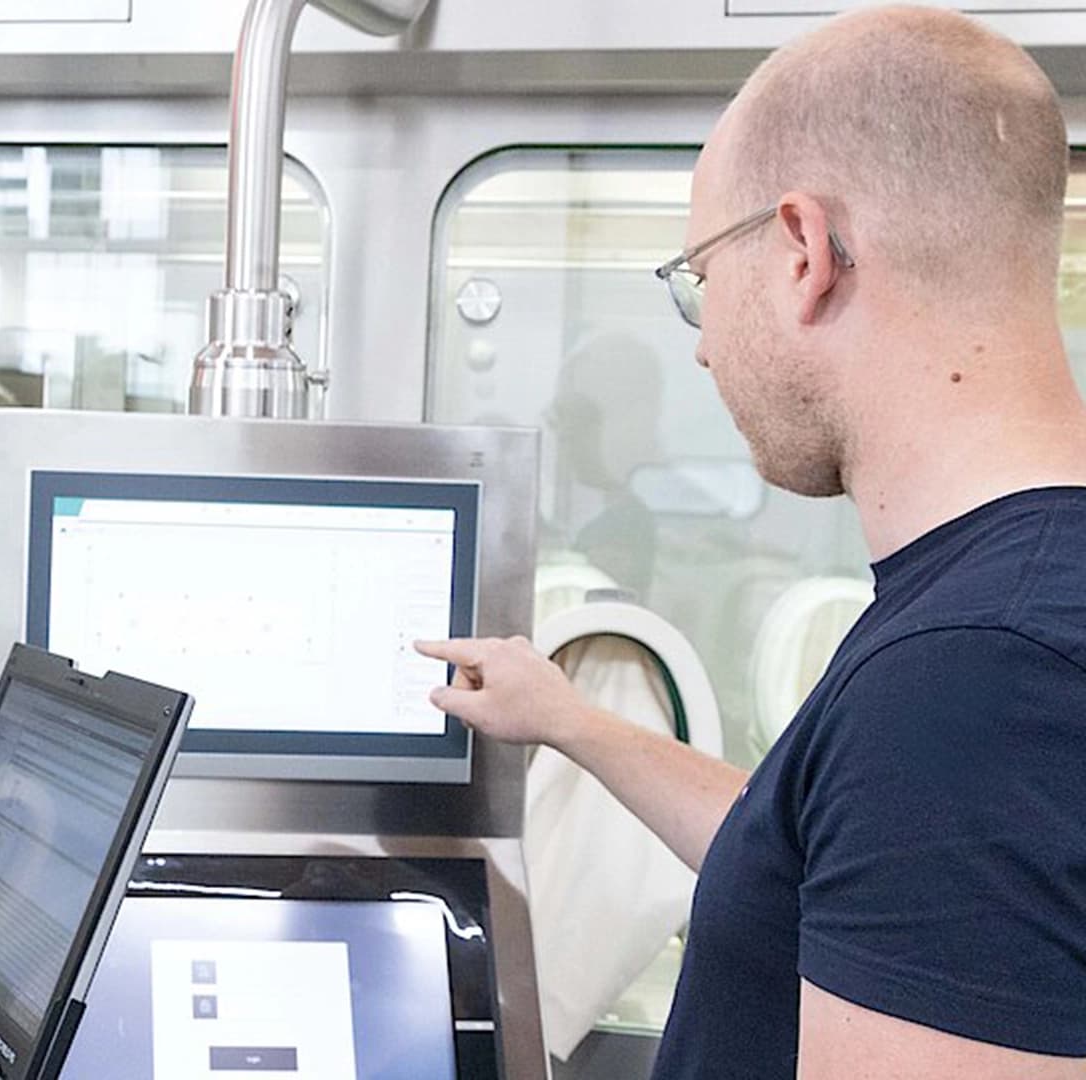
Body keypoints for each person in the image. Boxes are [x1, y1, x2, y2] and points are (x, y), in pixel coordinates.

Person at [420, 6, 1086, 1078]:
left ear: (802, 252)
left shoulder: (979, 675)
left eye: (698, 285)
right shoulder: (998, 611)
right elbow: (822, 858)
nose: (703, 352)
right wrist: (570, 722)